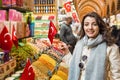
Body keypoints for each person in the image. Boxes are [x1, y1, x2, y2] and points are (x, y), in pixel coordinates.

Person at [68, 12, 120, 80]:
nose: (90, 28)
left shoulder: (111, 48)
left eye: (94, 24)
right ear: (83, 27)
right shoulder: (79, 44)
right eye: (86, 24)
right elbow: (74, 65)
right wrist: (66, 53)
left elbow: (116, 76)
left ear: (100, 26)